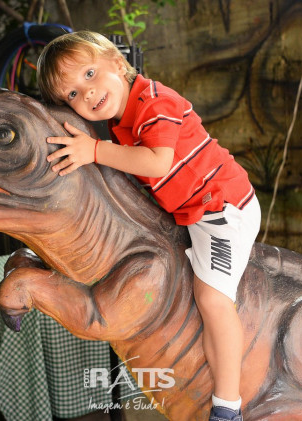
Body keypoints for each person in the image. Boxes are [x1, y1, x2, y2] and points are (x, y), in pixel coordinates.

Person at [37, 30, 260, 421]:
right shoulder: (119, 119)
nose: (87, 93)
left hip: (221, 209)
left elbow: (158, 163)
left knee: (212, 299)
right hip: (188, 210)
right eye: (72, 93)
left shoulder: (155, 102)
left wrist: (94, 151)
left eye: (89, 74)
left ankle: (228, 407)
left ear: (117, 63)